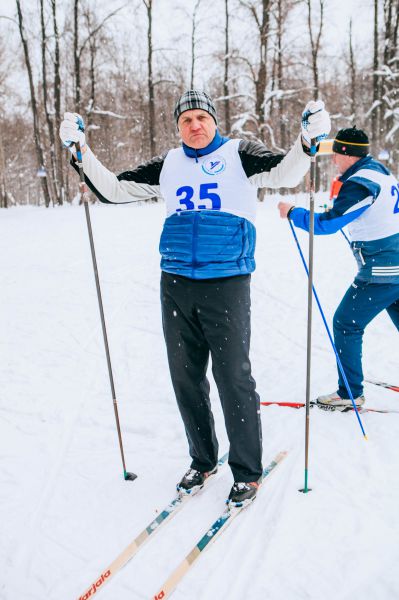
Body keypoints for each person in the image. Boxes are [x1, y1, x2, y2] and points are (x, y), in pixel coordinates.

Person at [60, 90, 330, 505]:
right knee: (186, 378)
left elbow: (285, 173)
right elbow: (114, 189)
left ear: (214, 121)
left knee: (232, 377)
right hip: (176, 282)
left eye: (201, 118)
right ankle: (202, 460)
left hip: (226, 282)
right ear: (178, 127)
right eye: (186, 121)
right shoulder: (169, 164)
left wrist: (307, 141)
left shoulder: (241, 154)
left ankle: (246, 470)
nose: (195, 126)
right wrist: (81, 150)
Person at [278, 126, 399, 410]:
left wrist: (293, 213)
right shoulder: (380, 171)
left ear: (348, 154)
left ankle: (350, 393)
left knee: (346, 322)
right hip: (394, 265)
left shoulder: (359, 183)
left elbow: (327, 224)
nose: (333, 160)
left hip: (382, 271)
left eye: (336, 154)